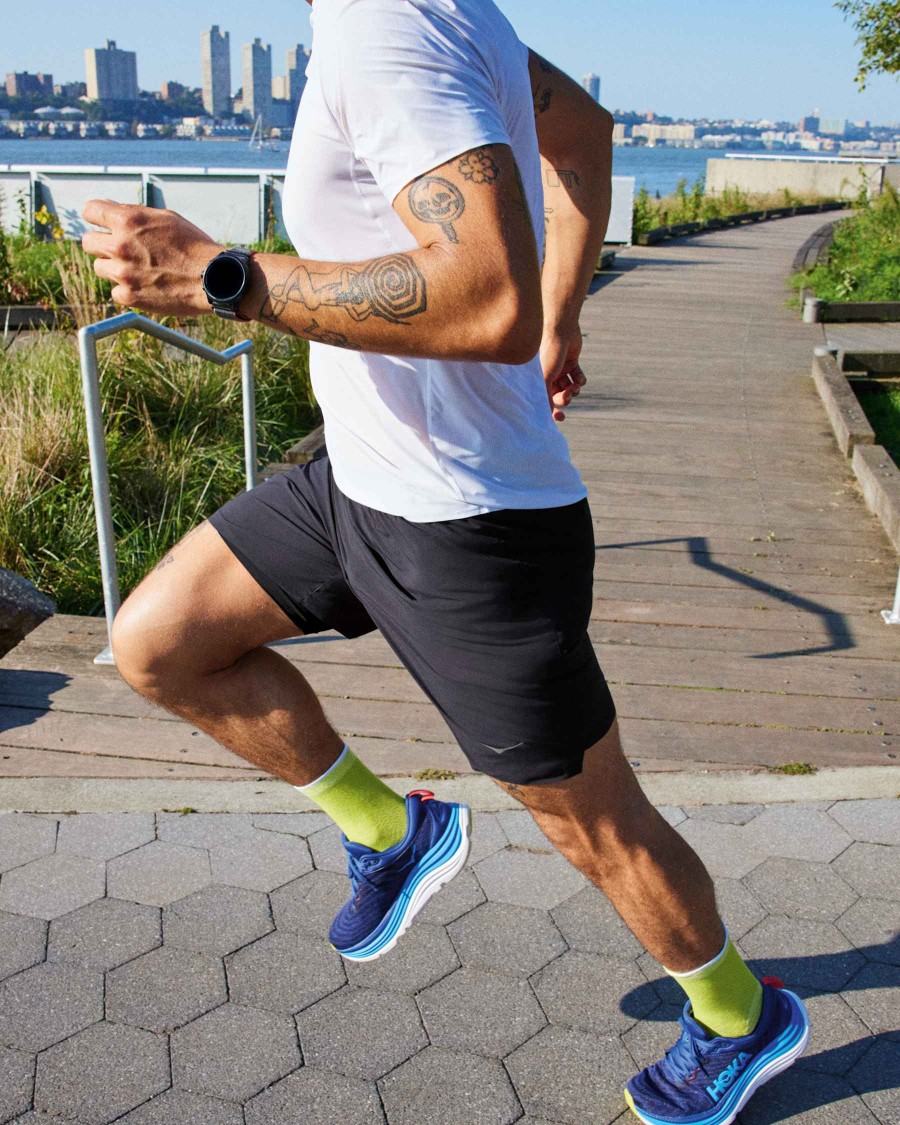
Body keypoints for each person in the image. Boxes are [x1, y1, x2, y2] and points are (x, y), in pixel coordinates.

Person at [80, 1, 809, 1120]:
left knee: (596, 826)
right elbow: (586, 131)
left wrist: (225, 277)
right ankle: (393, 829)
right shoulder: (431, 15)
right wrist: (565, 319)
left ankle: (740, 1018)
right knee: (158, 643)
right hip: (355, 481)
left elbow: (487, 296)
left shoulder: (389, 25)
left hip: (472, 526)